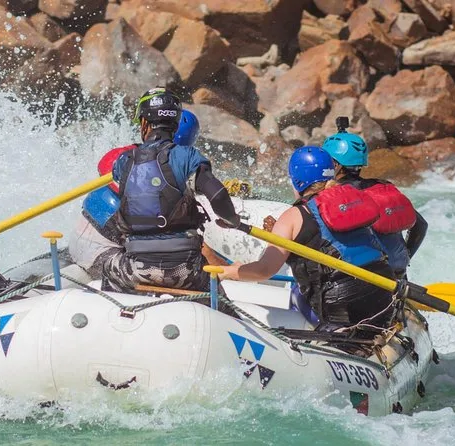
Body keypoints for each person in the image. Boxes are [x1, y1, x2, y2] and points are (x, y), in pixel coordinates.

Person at [219, 146, 396, 329]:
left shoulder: (293, 216)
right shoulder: (354, 200)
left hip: (341, 306)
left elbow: (264, 270)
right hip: (384, 293)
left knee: (296, 294)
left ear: (297, 181)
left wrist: (229, 271)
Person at [101, 87, 240, 293]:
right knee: (218, 297)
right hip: (185, 269)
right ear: (175, 123)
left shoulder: (124, 161)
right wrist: (232, 220)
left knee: (108, 268)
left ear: (144, 123)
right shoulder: (189, 156)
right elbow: (218, 196)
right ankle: (221, 310)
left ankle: (118, 309)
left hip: (136, 265)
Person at [69, 110, 202, 277]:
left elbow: (106, 164)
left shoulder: (131, 155)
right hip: (100, 251)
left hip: (86, 240)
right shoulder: (174, 179)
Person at [322, 120, 427, 278]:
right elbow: (421, 225)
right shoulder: (381, 187)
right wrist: (405, 259)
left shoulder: (337, 196)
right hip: (398, 275)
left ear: (335, 165)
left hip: (366, 281)